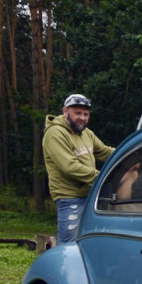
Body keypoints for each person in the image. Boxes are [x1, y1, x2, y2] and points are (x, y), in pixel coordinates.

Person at [42, 94, 114, 242]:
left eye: (85, 114)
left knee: (90, 241)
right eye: (77, 113)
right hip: (70, 199)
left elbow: (104, 152)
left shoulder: (86, 132)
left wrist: (130, 154)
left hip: (90, 195)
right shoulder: (55, 134)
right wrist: (102, 178)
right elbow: (70, 167)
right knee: (68, 245)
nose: (82, 117)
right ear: (65, 111)